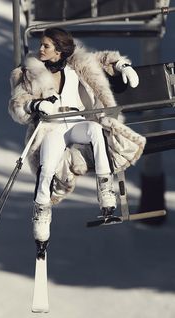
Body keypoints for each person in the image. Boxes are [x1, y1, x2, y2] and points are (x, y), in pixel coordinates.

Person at [8, 27, 145, 254]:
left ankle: (105, 188)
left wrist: (122, 65)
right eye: (41, 44)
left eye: (46, 46)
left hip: (76, 120)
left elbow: (103, 59)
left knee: (95, 130)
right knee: (47, 169)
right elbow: (17, 103)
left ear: (59, 51)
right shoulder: (29, 72)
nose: (40, 49)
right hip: (52, 126)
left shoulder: (76, 64)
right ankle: (42, 217)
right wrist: (36, 104)